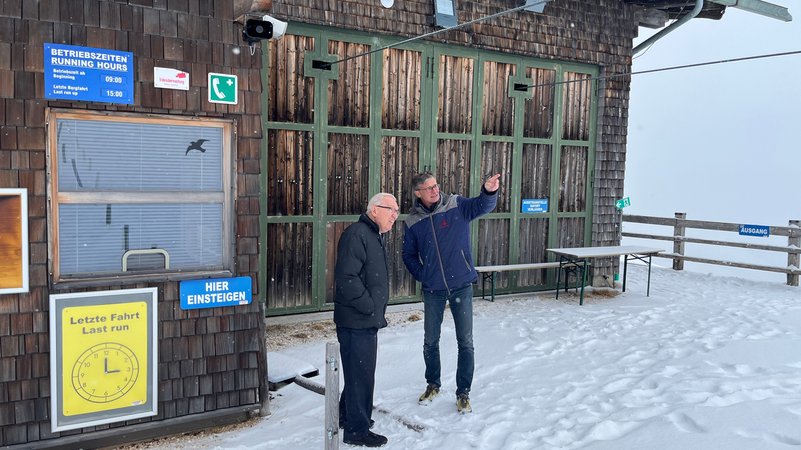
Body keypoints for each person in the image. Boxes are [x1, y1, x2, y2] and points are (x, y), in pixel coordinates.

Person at [402, 172, 500, 414]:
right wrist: (424, 275)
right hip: (433, 289)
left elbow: (482, 205)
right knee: (430, 341)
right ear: (418, 193)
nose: (435, 190)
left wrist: (488, 191)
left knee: (465, 341)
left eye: (436, 186)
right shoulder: (413, 221)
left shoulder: (455, 205)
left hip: (461, 285)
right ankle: (433, 384)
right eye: (429, 188)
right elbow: (408, 255)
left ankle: (463, 392)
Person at [334, 192, 400, 447]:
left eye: (397, 211)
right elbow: (347, 278)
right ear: (374, 210)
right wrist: (369, 306)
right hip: (356, 320)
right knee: (361, 374)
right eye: (391, 210)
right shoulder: (358, 234)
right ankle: (357, 430)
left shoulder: (372, 235)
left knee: (356, 372)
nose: (395, 215)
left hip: (362, 319)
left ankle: (347, 416)